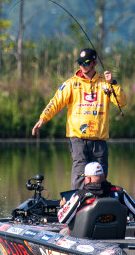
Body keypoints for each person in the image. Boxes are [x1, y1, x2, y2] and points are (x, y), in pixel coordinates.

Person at [31, 48, 127, 190]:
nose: (82, 65)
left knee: (100, 178)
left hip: (99, 139)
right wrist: (43, 118)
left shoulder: (105, 84)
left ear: (94, 63)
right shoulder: (71, 84)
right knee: (80, 175)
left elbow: (122, 102)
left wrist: (112, 83)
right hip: (78, 138)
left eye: (86, 62)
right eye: (80, 62)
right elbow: (55, 102)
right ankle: (78, 204)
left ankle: (97, 206)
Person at [58, 162, 135, 233]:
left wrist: (63, 206)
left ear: (88, 179)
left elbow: (63, 219)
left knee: (63, 232)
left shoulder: (80, 196)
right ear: (103, 176)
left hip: (86, 242)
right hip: (115, 238)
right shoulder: (119, 192)